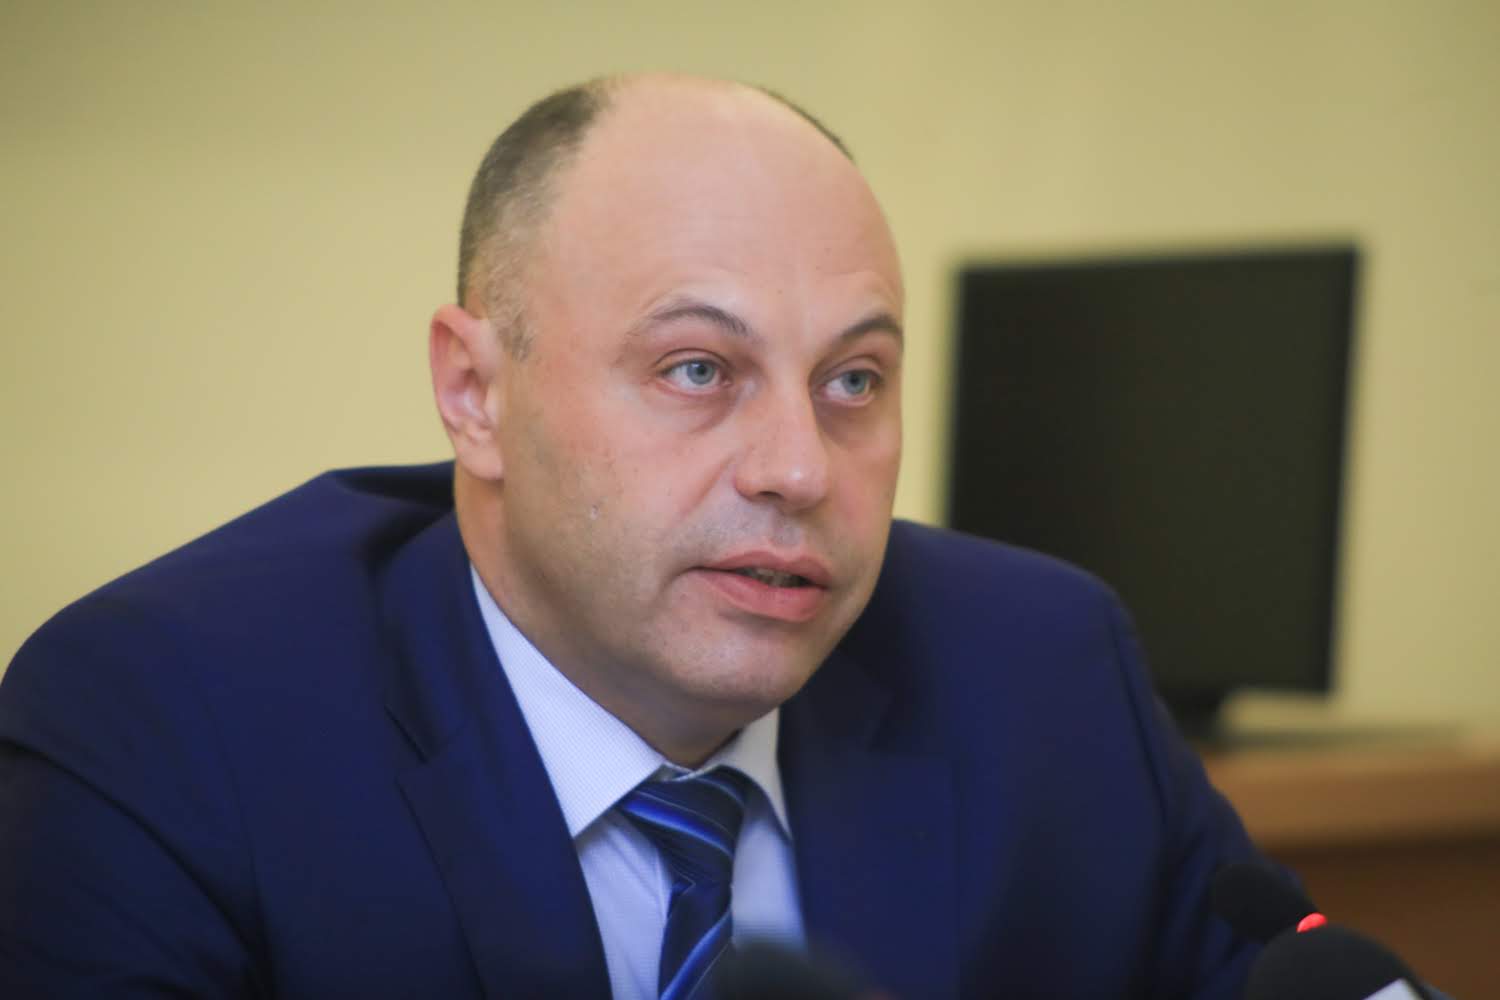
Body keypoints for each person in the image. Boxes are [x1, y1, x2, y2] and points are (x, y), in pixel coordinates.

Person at [0, 74, 1267, 998]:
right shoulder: (167, 721)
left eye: (853, 381)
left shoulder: (1042, 670)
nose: (796, 469)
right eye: (698, 368)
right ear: (475, 393)